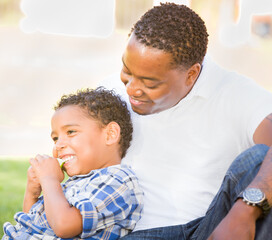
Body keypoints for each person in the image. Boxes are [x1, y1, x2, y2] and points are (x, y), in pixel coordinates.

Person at [100, 3, 272, 239]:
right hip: (128, 233)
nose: (132, 89)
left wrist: (245, 211)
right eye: (127, 71)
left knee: (258, 159)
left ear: (191, 74)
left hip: (206, 229)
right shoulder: (109, 93)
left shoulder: (236, 94)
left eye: (150, 83)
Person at [1, 88, 143, 240]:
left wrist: (49, 180)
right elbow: (33, 225)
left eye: (70, 132)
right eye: (55, 138)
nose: (58, 145)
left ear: (110, 134)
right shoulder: (73, 185)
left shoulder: (118, 182)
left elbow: (64, 226)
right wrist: (32, 192)